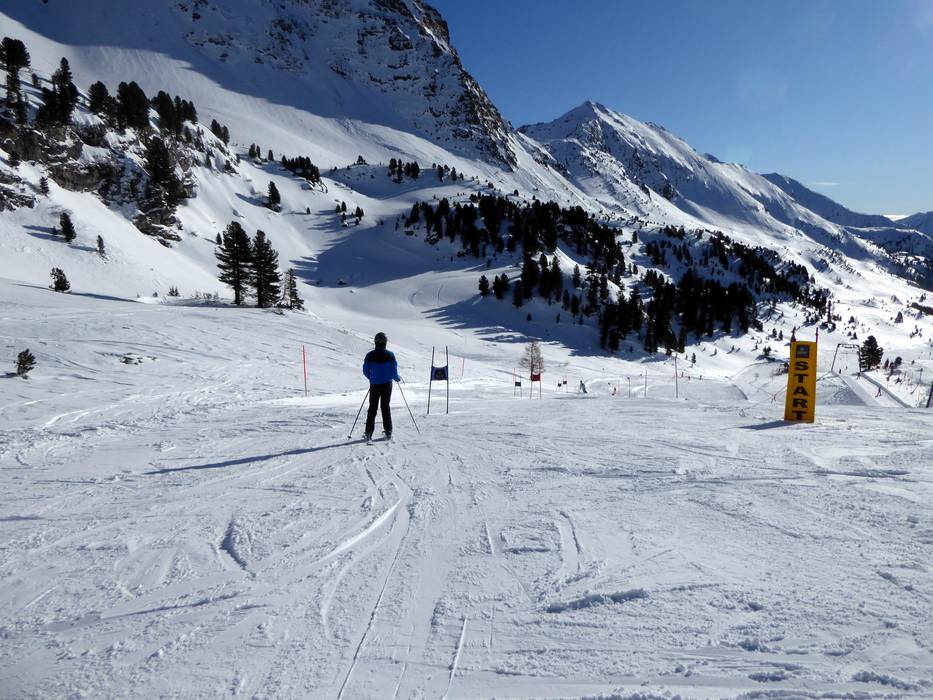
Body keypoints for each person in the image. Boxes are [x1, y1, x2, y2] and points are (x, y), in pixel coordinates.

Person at [362, 332, 401, 440]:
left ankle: (368, 432)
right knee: (385, 407)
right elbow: (394, 371)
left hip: (375, 384)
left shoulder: (370, 355)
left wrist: (372, 377)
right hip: (387, 384)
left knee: (372, 408)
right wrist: (397, 378)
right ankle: (388, 431)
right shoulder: (390, 355)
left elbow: (365, 370)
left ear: (375, 342)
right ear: (385, 342)